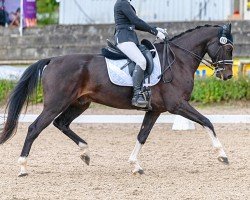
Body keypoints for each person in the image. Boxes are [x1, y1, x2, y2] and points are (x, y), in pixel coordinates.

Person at [114, 0, 166, 108]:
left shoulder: (126, 4)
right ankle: (137, 95)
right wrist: (155, 32)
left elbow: (135, 24)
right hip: (124, 39)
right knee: (141, 61)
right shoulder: (122, 3)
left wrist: (155, 28)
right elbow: (135, 20)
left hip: (130, 39)